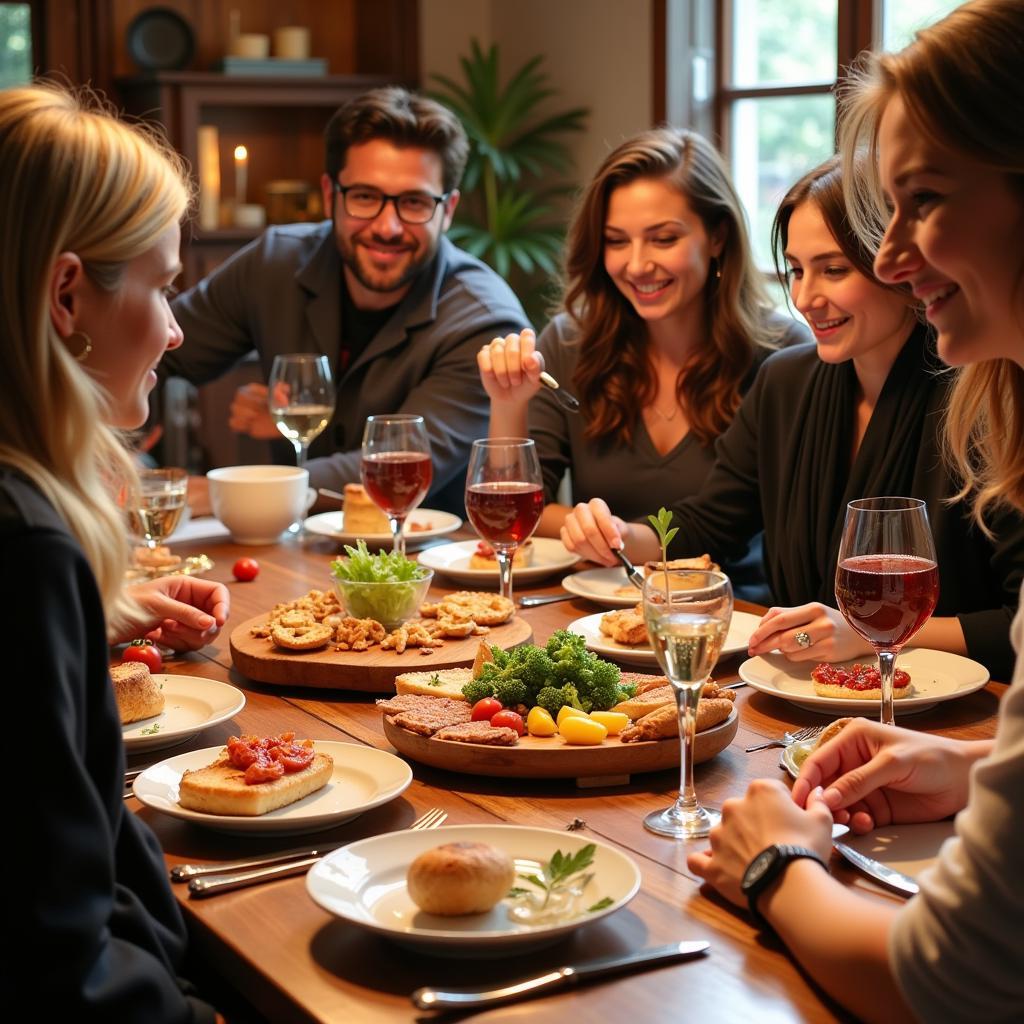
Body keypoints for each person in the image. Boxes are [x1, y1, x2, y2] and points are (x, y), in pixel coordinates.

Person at [687, 3, 1024, 1021]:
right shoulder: (791, 384)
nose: (887, 259)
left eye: (919, 201)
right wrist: (966, 768)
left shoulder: (951, 399)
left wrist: (775, 863)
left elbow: (944, 982)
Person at [558, 153, 1024, 679]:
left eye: (833, 270)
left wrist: (870, 635)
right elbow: (714, 522)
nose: (805, 298)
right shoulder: (786, 381)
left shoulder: (984, 394)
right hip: (804, 694)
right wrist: (619, 534)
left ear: (898, 263)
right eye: (796, 270)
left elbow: (1017, 620)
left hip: (962, 717)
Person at [0, 84, 230, 1020]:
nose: (175, 329)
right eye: (164, 283)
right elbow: (55, 961)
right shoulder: (26, 551)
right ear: (66, 296)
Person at [163, 86, 527, 514]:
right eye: (365, 197)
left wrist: (231, 489)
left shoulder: (484, 323)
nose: (387, 226)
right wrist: (120, 454)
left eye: (414, 202)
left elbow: (400, 469)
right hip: (284, 552)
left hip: (424, 564)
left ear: (447, 211)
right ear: (330, 195)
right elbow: (154, 352)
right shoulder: (273, 264)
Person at [478, 128, 807, 598]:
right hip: (595, 611)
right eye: (616, 241)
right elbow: (512, 516)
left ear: (717, 236)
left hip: (742, 620)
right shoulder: (572, 341)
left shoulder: (783, 354)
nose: (636, 265)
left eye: (663, 238)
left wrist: (616, 535)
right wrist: (507, 403)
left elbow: (746, 524)